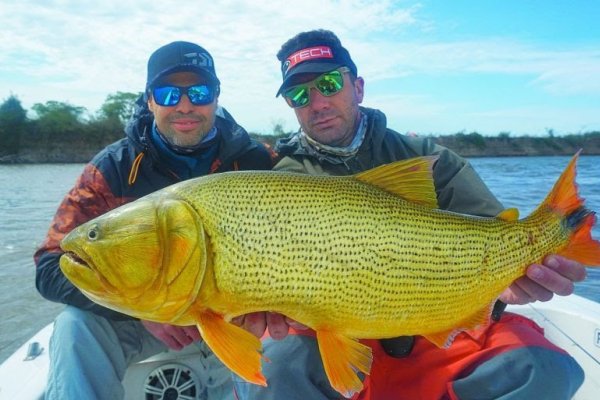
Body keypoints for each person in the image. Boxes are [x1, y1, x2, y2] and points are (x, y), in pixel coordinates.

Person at [232, 29, 587, 400]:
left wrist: (508, 283)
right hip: (342, 336)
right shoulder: (280, 185)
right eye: (299, 94)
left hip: (440, 324)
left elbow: (493, 237)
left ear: (359, 87)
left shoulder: (428, 158)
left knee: (545, 368)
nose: (317, 102)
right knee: (270, 370)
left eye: (330, 83)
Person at [34, 40, 273, 400]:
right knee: (75, 327)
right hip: (144, 320)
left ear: (216, 96)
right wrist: (140, 312)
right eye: (168, 93)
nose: (185, 105)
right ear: (149, 100)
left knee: (285, 352)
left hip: (237, 316)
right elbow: (51, 265)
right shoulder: (112, 169)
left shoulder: (258, 161)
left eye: (199, 91)